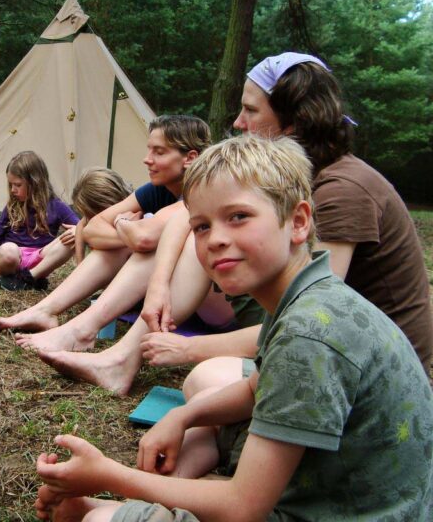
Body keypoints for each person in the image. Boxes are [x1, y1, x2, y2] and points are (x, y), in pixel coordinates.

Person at [33, 135, 433, 522]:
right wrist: (182, 417)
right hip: (349, 489)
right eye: (202, 226)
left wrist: (110, 476)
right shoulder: (308, 297)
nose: (216, 240)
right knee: (207, 425)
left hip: (345, 508)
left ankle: (104, 510)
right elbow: (252, 389)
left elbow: (242, 509)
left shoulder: (309, 335)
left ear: (297, 221)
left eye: (238, 217)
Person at [41, 51, 433, 396]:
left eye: (251, 110)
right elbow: (184, 220)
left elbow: (311, 320)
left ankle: (118, 358)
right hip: (322, 339)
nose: (239, 122)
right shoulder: (294, 180)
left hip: (372, 370)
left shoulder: (342, 190)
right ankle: (116, 358)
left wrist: (189, 349)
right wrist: (158, 286)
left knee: (207, 380)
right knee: (212, 237)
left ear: (294, 121)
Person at [0, 115, 211, 353]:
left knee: (146, 242)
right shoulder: (156, 190)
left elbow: (144, 239)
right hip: (172, 299)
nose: (147, 160)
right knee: (124, 243)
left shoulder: (201, 191)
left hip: (212, 306)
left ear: (190, 158)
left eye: (159, 152)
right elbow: (93, 228)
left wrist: (122, 223)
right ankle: (45, 311)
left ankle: (82, 330)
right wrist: (128, 233)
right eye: (149, 150)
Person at [0, 151, 79, 291]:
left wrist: (76, 230)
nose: (12, 190)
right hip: (11, 258)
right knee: (9, 251)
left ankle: (29, 278)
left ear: (35, 183)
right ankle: (15, 278)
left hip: (39, 258)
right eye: (10, 185)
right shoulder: (12, 207)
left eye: (18, 185)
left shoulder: (56, 206)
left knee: (73, 237)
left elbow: (81, 227)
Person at [69, 167, 133, 265]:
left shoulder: (132, 213)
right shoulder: (95, 217)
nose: (88, 219)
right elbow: (80, 225)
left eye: (90, 215)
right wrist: (80, 263)